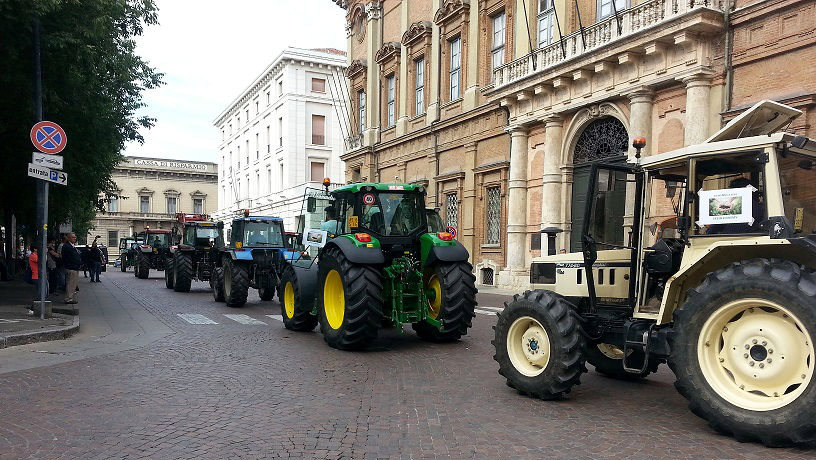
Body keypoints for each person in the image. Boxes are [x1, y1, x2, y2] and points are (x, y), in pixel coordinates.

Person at [61, 232, 81, 304]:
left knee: (73, 284)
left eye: (75, 237)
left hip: (74, 267)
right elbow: (69, 258)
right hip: (71, 267)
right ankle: (69, 298)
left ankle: (70, 297)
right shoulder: (67, 246)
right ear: (68, 238)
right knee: (71, 283)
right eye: (73, 237)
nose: (74, 239)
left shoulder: (71, 246)